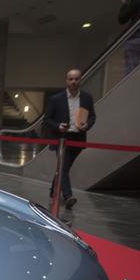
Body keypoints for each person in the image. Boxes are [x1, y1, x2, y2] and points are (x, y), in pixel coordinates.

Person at [43, 69, 96, 210]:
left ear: (80, 80)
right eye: (71, 79)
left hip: (78, 137)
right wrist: (58, 126)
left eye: (76, 79)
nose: (73, 82)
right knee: (64, 168)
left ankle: (54, 189)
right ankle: (68, 196)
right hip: (62, 138)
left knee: (63, 167)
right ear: (66, 80)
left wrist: (87, 125)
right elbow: (47, 119)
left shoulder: (87, 98)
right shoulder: (56, 99)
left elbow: (92, 116)